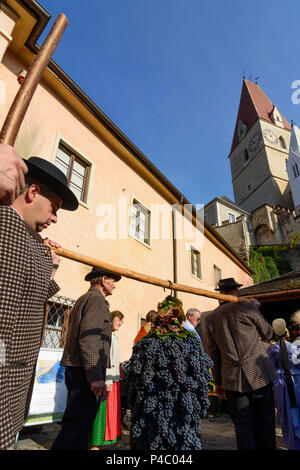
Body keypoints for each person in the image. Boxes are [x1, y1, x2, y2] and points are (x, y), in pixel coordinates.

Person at [0, 156, 78, 450]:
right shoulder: (9, 229)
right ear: (33, 192)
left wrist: (51, 266)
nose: (55, 218)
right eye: (54, 208)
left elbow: (28, 299)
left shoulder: (27, 238)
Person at [128, 295, 212, 450]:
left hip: (160, 410)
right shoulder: (189, 341)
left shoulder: (145, 343)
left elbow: (135, 380)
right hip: (172, 410)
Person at [51, 267, 122, 450]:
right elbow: (90, 338)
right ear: (104, 279)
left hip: (79, 369)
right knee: (75, 430)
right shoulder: (96, 300)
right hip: (85, 371)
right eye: (113, 281)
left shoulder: (85, 298)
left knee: (78, 428)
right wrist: (95, 377)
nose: (114, 286)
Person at [204, 277, 277, 450]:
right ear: (236, 291)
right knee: (265, 422)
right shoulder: (248, 307)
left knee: (243, 426)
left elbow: (213, 354)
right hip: (259, 375)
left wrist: (218, 383)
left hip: (232, 379)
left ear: (220, 295)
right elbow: (267, 333)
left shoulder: (210, 318)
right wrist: (257, 308)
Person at [89, 310, 124, 449]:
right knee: (100, 413)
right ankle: (93, 444)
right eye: (119, 319)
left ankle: (97, 443)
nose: (121, 323)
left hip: (112, 380)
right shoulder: (107, 335)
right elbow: (106, 358)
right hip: (107, 379)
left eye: (122, 320)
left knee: (107, 413)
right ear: (111, 319)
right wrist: (108, 381)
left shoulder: (113, 336)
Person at [268, 318, 300, 450]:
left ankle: (293, 445)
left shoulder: (273, 349)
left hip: (283, 386)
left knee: (287, 418)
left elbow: (271, 371)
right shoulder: (296, 347)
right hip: (298, 382)